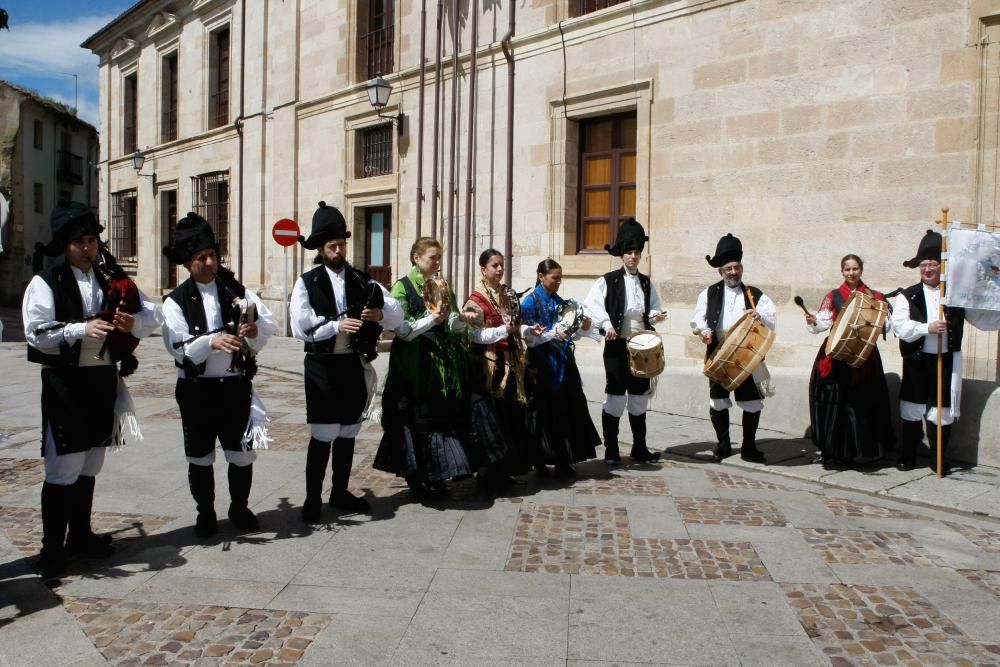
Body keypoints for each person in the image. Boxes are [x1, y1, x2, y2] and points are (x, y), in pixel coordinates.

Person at [23, 201, 161, 578]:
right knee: (63, 465)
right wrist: (81, 329)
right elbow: (37, 335)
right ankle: (52, 549)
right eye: (79, 242)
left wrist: (132, 321)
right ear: (64, 244)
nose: (87, 248)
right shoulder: (46, 282)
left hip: (102, 381)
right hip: (66, 383)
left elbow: (153, 316)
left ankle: (80, 535)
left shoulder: (108, 278)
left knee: (90, 462)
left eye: (91, 240)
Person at [161, 213, 278, 537]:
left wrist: (254, 331)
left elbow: (268, 326)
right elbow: (179, 348)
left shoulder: (236, 289)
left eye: (213, 254)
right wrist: (211, 341)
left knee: (241, 454)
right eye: (202, 258)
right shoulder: (175, 302)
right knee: (200, 457)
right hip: (197, 390)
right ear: (187, 262)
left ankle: (239, 507)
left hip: (235, 387)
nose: (210, 262)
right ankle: (206, 512)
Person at [290, 202, 402, 520]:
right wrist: (335, 325)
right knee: (323, 432)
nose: (338, 250)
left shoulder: (360, 279)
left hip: (352, 364)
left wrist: (380, 313)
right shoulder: (307, 282)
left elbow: (396, 312)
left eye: (341, 244)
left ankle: (339, 491)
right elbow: (300, 325)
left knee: (348, 432)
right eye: (332, 246)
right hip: (322, 365)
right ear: (321, 249)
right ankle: (313, 498)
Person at [891, 230, 999, 474]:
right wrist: (926, 328)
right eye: (924, 264)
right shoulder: (908, 295)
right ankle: (907, 456)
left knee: (942, 411)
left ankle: (939, 459)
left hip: (947, 360)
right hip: (917, 360)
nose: (928, 269)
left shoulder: (955, 294)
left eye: (933, 264)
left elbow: (980, 318)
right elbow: (900, 327)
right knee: (912, 408)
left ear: (942, 266)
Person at [373, 237, 472, 497]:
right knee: (413, 420)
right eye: (432, 257)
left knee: (437, 419)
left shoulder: (442, 285)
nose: (437, 262)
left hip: (438, 363)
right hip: (411, 364)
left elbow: (450, 321)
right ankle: (416, 476)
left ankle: (436, 474)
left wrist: (463, 319)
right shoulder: (402, 287)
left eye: (439, 257)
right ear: (416, 258)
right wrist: (431, 320)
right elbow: (403, 330)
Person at [584, 218, 667, 465]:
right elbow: (592, 307)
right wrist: (607, 326)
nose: (633, 256)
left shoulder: (646, 282)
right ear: (622, 254)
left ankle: (639, 448)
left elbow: (651, 309)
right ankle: (611, 450)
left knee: (640, 396)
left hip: (641, 347)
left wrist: (656, 316)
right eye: (629, 252)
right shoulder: (607, 281)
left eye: (637, 252)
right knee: (616, 397)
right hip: (617, 347)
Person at [690, 233, 776, 463]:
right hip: (719, 351)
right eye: (728, 269)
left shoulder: (755, 294)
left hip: (747, 353)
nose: (733, 272)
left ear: (741, 268)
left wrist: (760, 315)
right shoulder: (709, 293)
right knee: (718, 400)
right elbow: (698, 319)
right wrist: (704, 331)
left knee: (751, 401)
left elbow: (771, 318)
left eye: (737, 268)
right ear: (720, 271)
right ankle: (723, 444)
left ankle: (749, 447)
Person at [461, 249, 540, 489]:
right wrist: (502, 331)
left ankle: (505, 469)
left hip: (511, 362)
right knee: (490, 420)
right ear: (483, 269)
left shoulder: (508, 295)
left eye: (501, 265)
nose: (499, 269)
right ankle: (487, 472)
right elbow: (473, 335)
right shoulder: (475, 300)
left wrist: (528, 331)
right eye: (494, 265)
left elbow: (517, 326)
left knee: (510, 417)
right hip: (488, 365)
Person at [804, 254, 893, 466]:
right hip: (837, 355)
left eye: (855, 269)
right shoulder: (833, 296)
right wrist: (813, 321)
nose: (851, 273)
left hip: (865, 357)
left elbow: (887, 326)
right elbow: (821, 325)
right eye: (847, 269)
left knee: (863, 402)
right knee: (837, 404)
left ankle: (864, 452)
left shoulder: (875, 295)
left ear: (861, 270)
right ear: (842, 271)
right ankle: (836, 451)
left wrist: (881, 319)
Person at [521, 258, 600, 476]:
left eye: (560, 278)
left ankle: (564, 459)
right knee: (543, 414)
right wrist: (552, 334)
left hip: (563, 363)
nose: (558, 282)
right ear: (541, 276)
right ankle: (539, 461)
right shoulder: (529, 303)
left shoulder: (560, 301)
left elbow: (568, 330)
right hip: (542, 365)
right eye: (555, 278)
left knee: (566, 410)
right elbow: (530, 339)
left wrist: (583, 326)